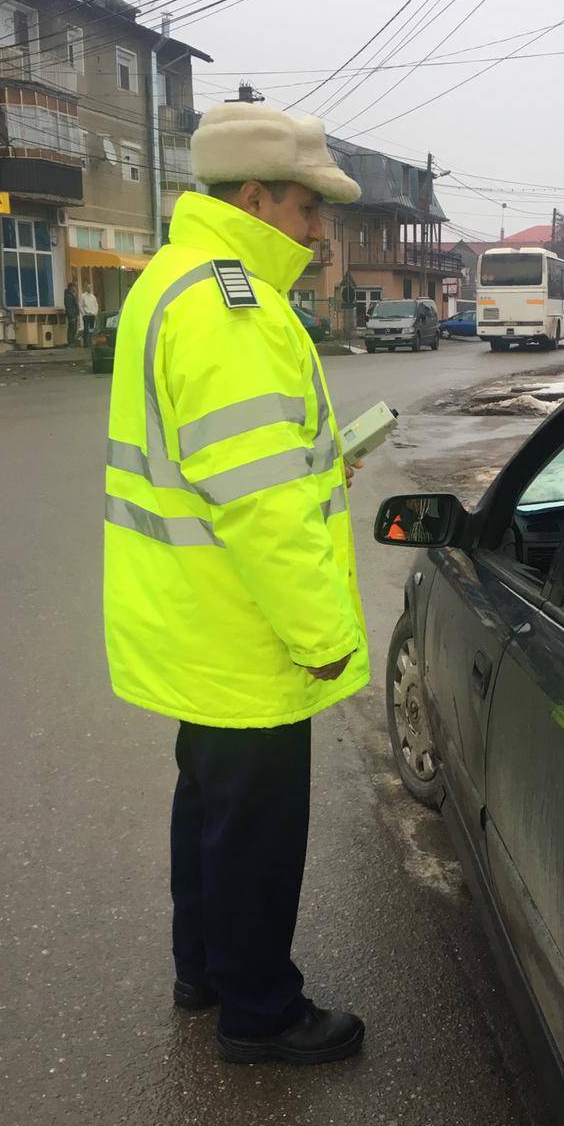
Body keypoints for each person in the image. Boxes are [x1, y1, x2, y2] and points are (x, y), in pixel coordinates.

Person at [103, 102, 368, 1066]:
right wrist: (323, 636)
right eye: (307, 209)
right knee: (256, 832)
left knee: (208, 810)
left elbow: (214, 464)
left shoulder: (173, 282)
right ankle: (260, 1012)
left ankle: (204, 970)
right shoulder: (234, 309)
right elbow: (260, 505)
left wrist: (315, 466)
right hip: (246, 632)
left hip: (192, 621)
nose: (318, 230)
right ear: (253, 198)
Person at [63, 280, 80, 347]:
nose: (75, 288)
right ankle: (71, 342)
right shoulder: (68, 296)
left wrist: (77, 314)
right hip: (72, 316)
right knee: (71, 329)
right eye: (74, 287)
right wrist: (72, 316)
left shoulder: (72, 295)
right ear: (71, 288)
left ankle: (73, 342)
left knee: (74, 329)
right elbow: (69, 307)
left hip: (74, 315)